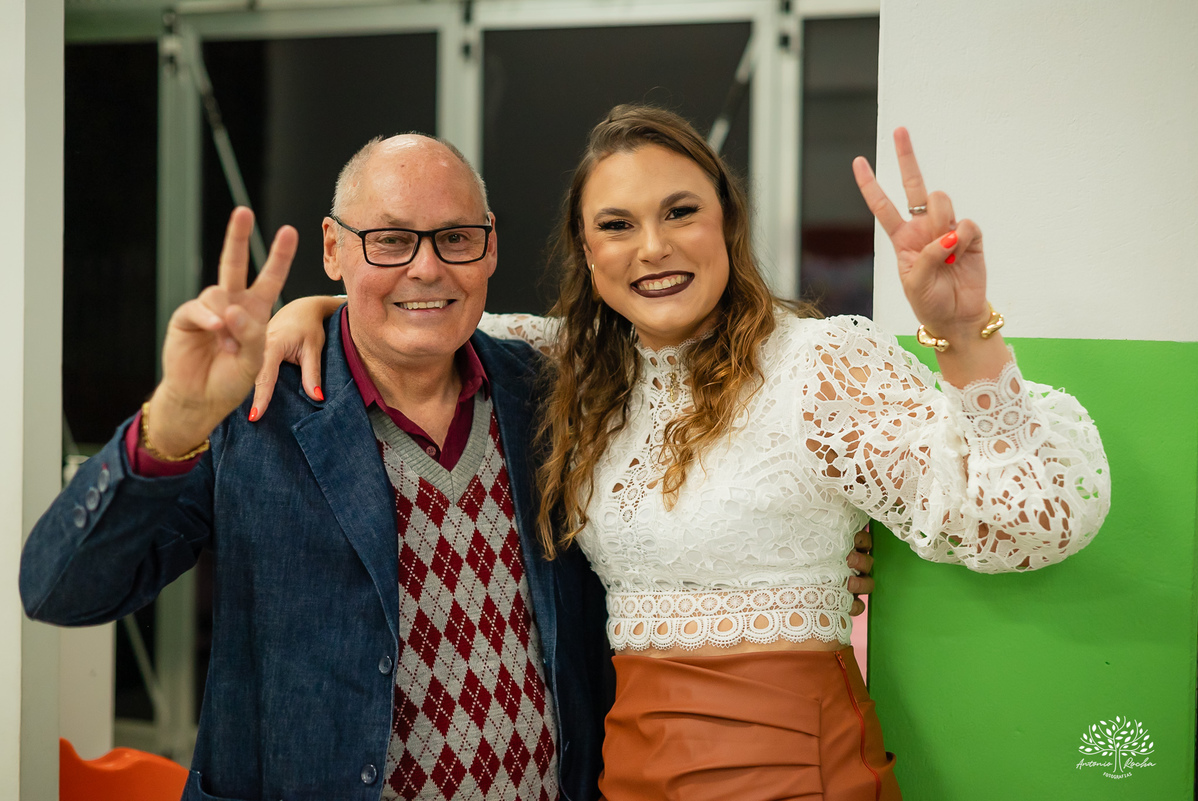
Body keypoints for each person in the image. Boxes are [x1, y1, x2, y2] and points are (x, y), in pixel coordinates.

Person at [260, 106, 1110, 800]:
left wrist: (961, 332)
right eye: (617, 225)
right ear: (588, 253)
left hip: (791, 769)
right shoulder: (575, 371)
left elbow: (1032, 516)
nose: (652, 248)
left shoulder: (819, 367)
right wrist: (321, 310)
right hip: (630, 769)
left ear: (727, 223)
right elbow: (428, 312)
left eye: (680, 212)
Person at [19, 135, 616, 801]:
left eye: (454, 237)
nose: (426, 268)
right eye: (390, 239)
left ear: (489, 245)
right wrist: (175, 420)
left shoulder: (544, 394)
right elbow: (60, 590)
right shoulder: (256, 411)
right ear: (334, 249)